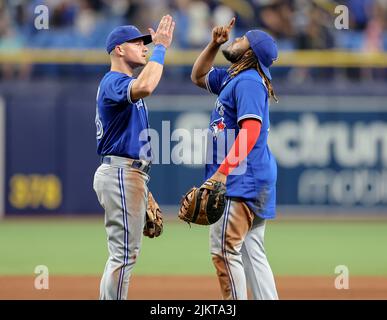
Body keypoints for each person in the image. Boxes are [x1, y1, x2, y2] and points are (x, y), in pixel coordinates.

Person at [191, 17, 279, 300]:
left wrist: (222, 173)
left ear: (250, 53)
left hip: (241, 178)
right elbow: (198, 76)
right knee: (252, 250)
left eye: (242, 39)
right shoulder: (234, 77)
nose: (235, 39)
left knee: (224, 249)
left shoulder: (250, 82)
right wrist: (214, 44)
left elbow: (250, 132)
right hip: (251, 177)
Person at [93, 15, 175, 300]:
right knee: (123, 255)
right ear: (118, 49)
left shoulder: (122, 84)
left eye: (147, 43)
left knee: (124, 254)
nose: (144, 47)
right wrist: (161, 48)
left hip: (127, 173)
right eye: (137, 42)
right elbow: (147, 86)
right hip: (120, 173)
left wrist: (141, 183)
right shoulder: (114, 81)